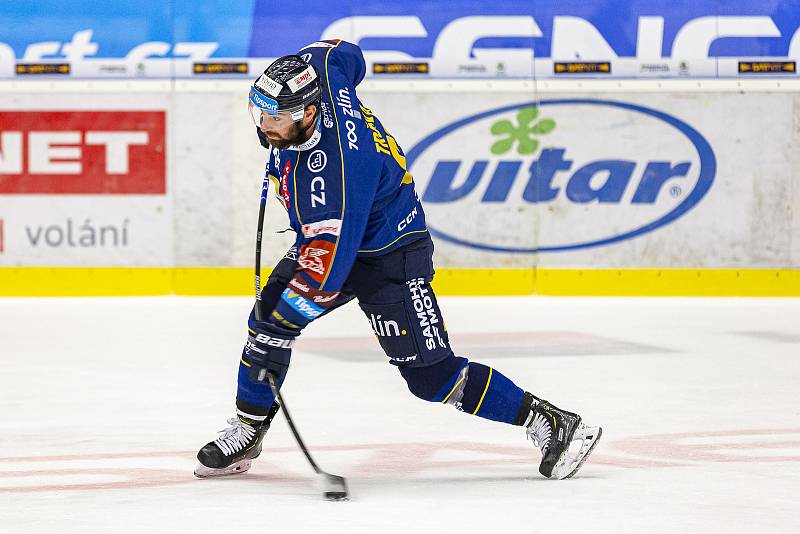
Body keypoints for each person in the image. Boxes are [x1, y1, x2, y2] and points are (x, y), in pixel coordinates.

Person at [194, 40, 601, 481]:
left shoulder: (333, 174)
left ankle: (552, 422)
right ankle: (249, 427)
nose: (266, 126)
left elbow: (328, 269)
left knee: (432, 379)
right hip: (337, 238)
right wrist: (275, 321)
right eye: (261, 113)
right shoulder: (322, 72)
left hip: (392, 252)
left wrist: (285, 317)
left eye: (276, 118)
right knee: (266, 323)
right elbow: (344, 52)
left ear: (309, 113)